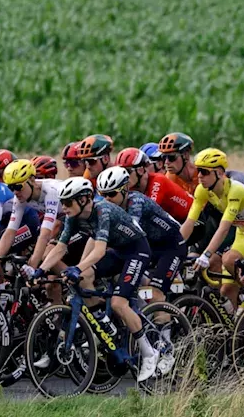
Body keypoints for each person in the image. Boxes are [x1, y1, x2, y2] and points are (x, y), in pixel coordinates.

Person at [37, 178, 163, 382]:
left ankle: (149, 353)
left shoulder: (102, 210)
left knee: (118, 302)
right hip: (119, 252)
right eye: (63, 203)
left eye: (68, 203)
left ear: (84, 199)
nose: (65, 208)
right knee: (84, 277)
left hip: (137, 251)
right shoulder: (73, 217)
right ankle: (103, 320)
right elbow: (60, 248)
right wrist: (40, 270)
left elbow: (99, 250)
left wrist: (77, 268)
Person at [183, 149, 244, 308]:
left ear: (219, 172)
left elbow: (223, 229)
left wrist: (206, 254)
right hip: (243, 232)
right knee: (226, 290)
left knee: (228, 259)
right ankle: (242, 321)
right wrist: (178, 246)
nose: (199, 176)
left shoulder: (235, 190)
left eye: (204, 171)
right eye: (197, 171)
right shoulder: (202, 190)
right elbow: (189, 222)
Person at [96, 166, 186, 303]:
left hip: (171, 246)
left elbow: (133, 230)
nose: (107, 199)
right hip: (148, 246)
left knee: (155, 293)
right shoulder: (108, 208)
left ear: (125, 189)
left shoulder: (136, 202)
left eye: (112, 194)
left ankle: (164, 322)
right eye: (102, 195)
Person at [0, 160, 62, 275]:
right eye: (11, 188)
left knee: (46, 256)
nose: (15, 192)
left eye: (18, 186)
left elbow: (45, 234)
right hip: (64, 220)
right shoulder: (21, 196)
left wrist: (32, 267)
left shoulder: (50, 192)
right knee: (50, 283)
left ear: (32, 180)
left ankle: (78, 282)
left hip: (80, 218)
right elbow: (10, 232)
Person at [115, 147, 193, 223]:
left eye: (127, 171)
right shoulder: (132, 187)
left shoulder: (158, 181)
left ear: (141, 170)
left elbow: (148, 212)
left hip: (194, 220)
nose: (123, 176)